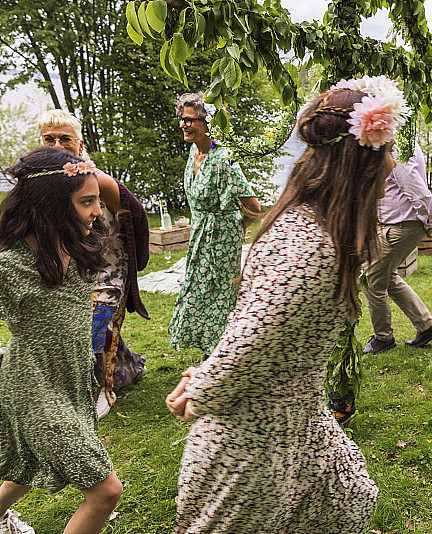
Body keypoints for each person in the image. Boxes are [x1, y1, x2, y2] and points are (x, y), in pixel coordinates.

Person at [163, 75, 407, 533]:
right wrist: (203, 388)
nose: (393, 165)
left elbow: (257, 327)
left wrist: (208, 372)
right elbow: (254, 335)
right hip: (255, 439)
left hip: (301, 416)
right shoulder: (312, 246)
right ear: (357, 162)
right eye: (387, 152)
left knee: (352, 497)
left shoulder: (320, 228)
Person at [0, 147, 123, 534]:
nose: (97, 212)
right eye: (87, 202)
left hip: (71, 382)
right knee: (106, 492)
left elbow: (125, 207)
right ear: (51, 205)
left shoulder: (78, 246)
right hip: (32, 388)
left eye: (97, 201)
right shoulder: (8, 264)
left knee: (27, 466)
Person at [39, 109, 150, 417]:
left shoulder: (96, 179)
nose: (57, 145)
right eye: (49, 139)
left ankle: (102, 391)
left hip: (110, 268)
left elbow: (137, 215)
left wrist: (137, 262)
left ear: (80, 143)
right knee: (83, 327)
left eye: (65, 139)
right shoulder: (45, 180)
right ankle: (128, 366)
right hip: (76, 270)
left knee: (96, 325)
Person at [169, 92, 261, 358]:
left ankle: (223, 354)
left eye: (190, 120)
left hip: (222, 239)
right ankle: (212, 352)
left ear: (208, 123)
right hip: (199, 235)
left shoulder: (224, 159)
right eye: (181, 119)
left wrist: (236, 227)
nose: (184, 125)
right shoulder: (193, 152)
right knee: (198, 291)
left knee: (220, 296)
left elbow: (253, 208)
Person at [362, 144, 432, 354]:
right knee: (385, 276)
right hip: (394, 224)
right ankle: (427, 326)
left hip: (401, 225)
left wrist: (429, 220)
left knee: (372, 280)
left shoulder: (397, 145)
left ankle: (383, 338)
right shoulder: (394, 140)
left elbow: (416, 187)